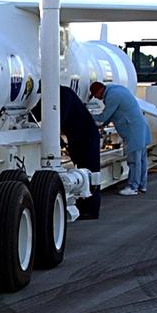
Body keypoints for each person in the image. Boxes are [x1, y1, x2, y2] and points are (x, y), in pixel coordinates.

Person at [90, 81, 151, 196]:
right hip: (139, 127)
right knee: (141, 160)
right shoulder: (116, 89)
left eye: (95, 95)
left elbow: (104, 117)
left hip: (132, 131)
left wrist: (88, 116)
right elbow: (111, 116)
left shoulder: (112, 96)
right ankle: (142, 185)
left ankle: (133, 187)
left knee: (134, 161)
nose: (97, 99)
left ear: (100, 91)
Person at [59, 85, 102, 218]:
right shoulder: (65, 93)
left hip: (85, 138)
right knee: (85, 169)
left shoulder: (63, 95)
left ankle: (91, 210)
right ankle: (86, 207)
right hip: (80, 138)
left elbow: (60, 117)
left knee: (90, 172)